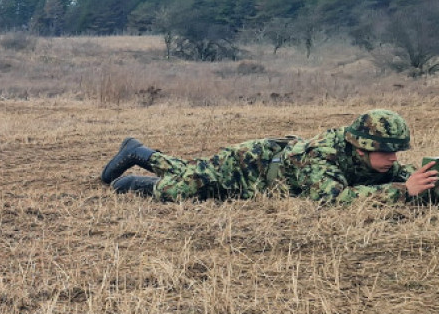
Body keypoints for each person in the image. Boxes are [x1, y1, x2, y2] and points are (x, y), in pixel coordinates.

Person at [100, 109, 439, 203]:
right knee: (186, 187)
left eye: (396, 150)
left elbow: (411, 179)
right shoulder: (323, 156)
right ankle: (133, 182)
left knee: (190, 172)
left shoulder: (378, 160)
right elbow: (334, 199)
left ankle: (137, 151)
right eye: (385, 150)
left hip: (269, 174)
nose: (393, 158)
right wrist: (403, 192)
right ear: (361, 147)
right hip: (252, 164)